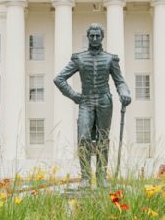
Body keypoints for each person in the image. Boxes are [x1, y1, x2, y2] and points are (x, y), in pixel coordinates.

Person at [54, 23, 131, 188]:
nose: (95, 38)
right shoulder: (79, 58)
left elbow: (120, 81)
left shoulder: (111, 58)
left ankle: (102, 177)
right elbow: (59, 79)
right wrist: (74, 96)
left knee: (103, 139)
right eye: (92, 36)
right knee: (83, 139)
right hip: (86, 101)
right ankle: (86, 178)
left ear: (102, 37)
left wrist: (125, 93)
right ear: (88, 37)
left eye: (98, 36)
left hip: (105, 101)